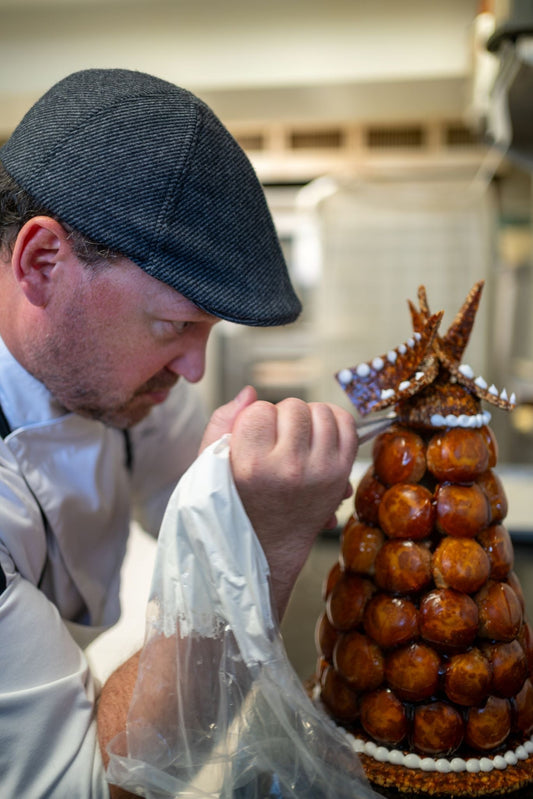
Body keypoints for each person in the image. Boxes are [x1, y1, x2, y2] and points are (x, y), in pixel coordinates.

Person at [0, 69, 358, 798]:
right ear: (41, 262)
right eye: (174, 326)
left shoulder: (129, 391)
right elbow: (87, 786)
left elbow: (186, 504)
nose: (194, 370)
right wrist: (254, 541)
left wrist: (251, 492)